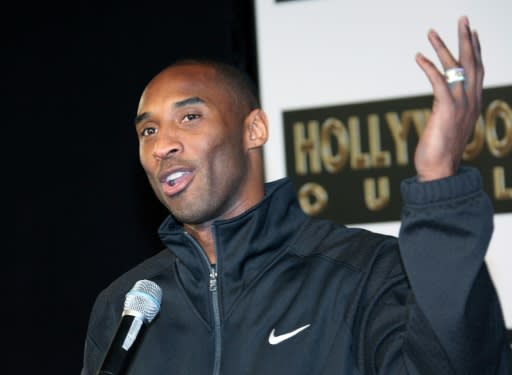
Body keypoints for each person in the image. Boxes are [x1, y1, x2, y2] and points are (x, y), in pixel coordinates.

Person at [81, 16, 512, 374]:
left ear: (254, 130)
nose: (162, 145)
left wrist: (439, 183)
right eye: (148, 130)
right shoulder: (125, 307)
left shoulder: (366, 273)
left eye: (190, 117)